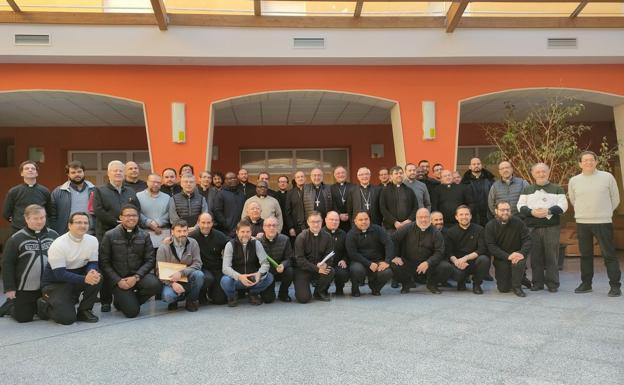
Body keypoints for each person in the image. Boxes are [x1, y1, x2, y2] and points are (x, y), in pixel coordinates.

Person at [568, 151, 621, 297]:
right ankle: (586, 284)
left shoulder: (607, 177)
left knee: (609, 254)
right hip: (582, 222)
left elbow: (615, 198)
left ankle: (615, 286)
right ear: (580, 164)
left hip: (603, 221)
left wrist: (605, 212)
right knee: (585, 255)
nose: (588, 162)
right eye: (585, 160)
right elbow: (573, 200)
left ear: (596, 162)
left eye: (591, 160)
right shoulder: (574, 180)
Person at [93, 160, 141, 312]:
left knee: (126, 263)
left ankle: (124, 295)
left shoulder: (130, 192)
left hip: (128, 235)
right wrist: (118, 222)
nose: (118, 173)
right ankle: (106, 301)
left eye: (121, 170)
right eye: (115, 171)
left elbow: (137, 209)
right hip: (107, 234)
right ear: (108, 173)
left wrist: (129, 223)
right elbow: (98, 211)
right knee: (106, 266)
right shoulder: (99, 191)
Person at [39, 211, 102, 325]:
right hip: (55, 283)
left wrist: (91, 271)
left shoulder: (92, 240)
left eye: (85, 223)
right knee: (67, 319)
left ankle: (84, 310)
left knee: (97, 277)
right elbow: (60, 274)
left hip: (74, 279)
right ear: (69, 225)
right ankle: (44, 304)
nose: (83, 225)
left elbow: (92, 262)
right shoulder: (58, 244)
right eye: (78, 222)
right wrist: (84, 279)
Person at [99, 205, 160, 318]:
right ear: (121, 217)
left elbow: (150, 260)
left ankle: (125, 301)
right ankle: (124, 301)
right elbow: (104, 262)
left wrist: (136, 277)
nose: (131, 218)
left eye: (134, 215)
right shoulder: (109, 235)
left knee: (155, 284)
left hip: (137, 276)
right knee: (132, 312)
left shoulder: (144, 235)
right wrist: (118, 280)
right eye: (127, 215)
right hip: (118, 278)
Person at [1, 205, 58, 322]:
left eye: (42, 217)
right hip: (25, 288)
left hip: (47, 287)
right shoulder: (16, 239)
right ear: (26, 219)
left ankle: (37, 306)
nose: (40, 221)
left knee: (47, 316)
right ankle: (10, 305)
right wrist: (9, 288)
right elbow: (7, 264)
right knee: (23, 318)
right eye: (35, 218)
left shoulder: (54, 235)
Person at [518, 163, 568, 292]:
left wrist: (549, 211)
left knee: (552, 255)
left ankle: (552, 284)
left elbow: (563, 206)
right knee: (536, 256)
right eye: (538, 172)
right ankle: (537, 283)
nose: (541, 174)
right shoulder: (527, 189)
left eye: (543, 171)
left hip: (551, 227)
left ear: (548, 172)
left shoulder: (557, 188)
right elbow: (520, 206)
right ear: (533, 174)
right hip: (532, 228)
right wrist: (532, 212)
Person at [391, 208, 452, 294]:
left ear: (430, 218)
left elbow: (440, 252)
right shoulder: (407, 228)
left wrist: (428, 262)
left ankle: (432, 284)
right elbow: (392, 240)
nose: (423, 220)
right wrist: (394, 256)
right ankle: (406, 284)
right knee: (393, 264)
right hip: (408, 263)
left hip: (429, 265)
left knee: (446, 267)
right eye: (421, 217)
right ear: (416, 218)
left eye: (426, 217)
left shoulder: (436, 232)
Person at [221, 220, 274, 307]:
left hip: (252, 279)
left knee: (269, 277)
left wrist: (259, 274)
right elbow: (225, 268)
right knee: (225, 280)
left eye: (248, 232)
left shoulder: (256, 244)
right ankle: (232, 296)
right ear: (237, 232)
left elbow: (265, 263)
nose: (245, 234)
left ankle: (253, 294)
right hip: (237, 280)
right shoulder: (230, 245)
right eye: (242, 231)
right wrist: (239, 277)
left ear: (251, 232)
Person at [156, 219, 205, 312]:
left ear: (187, 231)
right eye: (179, 231)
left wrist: (182, 273)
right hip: (171, 279)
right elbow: (159, 271)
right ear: (172, 232)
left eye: (185, 231)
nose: (182, 234)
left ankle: (191, 300)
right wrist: (172, 284)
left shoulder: (193, 243)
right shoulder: (163, 248)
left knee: (199, 275)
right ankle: (176, 299)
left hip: (187, 276)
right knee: (168, 297)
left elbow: (198, 263)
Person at [485, 201, 531, 297]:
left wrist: (522, 253)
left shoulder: (518, 222)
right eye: (502, 210)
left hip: (518, 255)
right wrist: (508, 256)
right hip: (502, 258)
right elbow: (491, 246)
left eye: (508, 210)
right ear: (496, 211)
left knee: (518, 262)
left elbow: (527, 239)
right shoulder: (490, 226)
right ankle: (521, 277)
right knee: (503, 289)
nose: (505, 212)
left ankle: (517, 287)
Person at [346, 211, 394, 296]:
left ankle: (375, 287)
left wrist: (387, 261)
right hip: (360, 262)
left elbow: (388, 243)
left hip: (377, 261)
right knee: (356, 269)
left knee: (387, 272)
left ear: (369, 220)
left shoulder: (378, 229)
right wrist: (369, 264)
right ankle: (355, 287)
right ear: (355, 221)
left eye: (366, 219)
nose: (364, 222)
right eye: (360, 220)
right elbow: (353, 254)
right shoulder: (351, 234)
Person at [445, 205, 490, 294]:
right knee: (457, 274)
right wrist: (456, 262)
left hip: (474, 261)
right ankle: (461, 281)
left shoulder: (480, 229)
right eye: (461, 215)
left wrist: (465, 258)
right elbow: (449, 252)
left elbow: (482, 249)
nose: (464, 217)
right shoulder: (450, 232)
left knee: (484, 259)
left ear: (470, 216)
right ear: (456, 217)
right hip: (458, 263)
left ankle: (476, 284)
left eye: (466, 214)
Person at [294, 212, 335, 303]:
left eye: (318, 221)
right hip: (303, 270)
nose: (316, 224)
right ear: (308, 223)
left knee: (330, 270)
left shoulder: (327, 237)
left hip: (320, 268)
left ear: (322, 222)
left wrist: (326, 264)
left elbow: (330, 255)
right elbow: (299, 260)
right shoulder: (301, 237)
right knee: (303, 299)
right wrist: (316, 268)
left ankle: (319, 292)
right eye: (313, 222)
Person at [189, 212, 229, 305]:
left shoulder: (219, 236)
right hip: (201, 269)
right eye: (203, 222)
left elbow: (231, 244)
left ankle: (211, 292)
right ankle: (201, 294)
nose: (206, 226)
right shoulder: (192, 237)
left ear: (212, 223)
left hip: (217, 269)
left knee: (220, 300)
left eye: (208, 223)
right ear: (198, 223)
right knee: (206, 278)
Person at [2, 160, 51, 234]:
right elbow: (6, 213)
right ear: (22, 173)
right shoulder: (14, 191)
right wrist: (18, 220)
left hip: (41, 231)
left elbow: (50, 212)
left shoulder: (45, 191)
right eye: (27, 168)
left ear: (37, 173)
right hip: (18, 230)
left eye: (33, 168)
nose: (30, 170)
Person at [49, 160, 96, 235]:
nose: (77, 174)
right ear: (68, 174)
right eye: (73, 172)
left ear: (83, 172)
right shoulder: (58, 192)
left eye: (79, 171)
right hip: (66, 234)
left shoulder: (95, 190)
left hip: (90, 233)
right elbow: (52, 215)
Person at [259, 216, 294, 302]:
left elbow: (289, 258)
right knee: (268, 299)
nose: (271, 228)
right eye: (268, 225)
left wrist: (283, 265)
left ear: (277, 227)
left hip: (280, 270)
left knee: (290, 271)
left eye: (274, 225)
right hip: (266, 273)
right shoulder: (258, 242)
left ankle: (283, 293)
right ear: (264, 227)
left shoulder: (285, 239)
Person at [136, 173, 171, 249]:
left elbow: (170, 213)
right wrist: (149, 222)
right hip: (144, 233)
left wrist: (158, 222)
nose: (155, 184)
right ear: (147, 182)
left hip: (163, 234)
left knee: (162, 258)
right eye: (153, 181)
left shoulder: (167, 197)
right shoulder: (138, 196)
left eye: (158, 182)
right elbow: (137, 212)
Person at [379, 166, 417, 234]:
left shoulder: (409, 190)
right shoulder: (385, 191)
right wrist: (394, 222)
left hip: (409, 226)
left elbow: (415, 207)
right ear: (391, 176)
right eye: (396, 173)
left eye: (401, 173)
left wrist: (409, 220)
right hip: (391, 228)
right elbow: (383, 208)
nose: (399, 175)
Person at [461, 158, 495, 226]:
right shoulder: (464, 183)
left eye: (478, 164)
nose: (476, 165)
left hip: (489, 215)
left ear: (481, 165)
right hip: (472, 217)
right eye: (474, 164)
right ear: (470, 167)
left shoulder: (490, 180)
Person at [323, 211, 350, 296]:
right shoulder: (321, 233)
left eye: (336, 220)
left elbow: (347, 250)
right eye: (331, 219)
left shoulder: (343, 234)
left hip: (338, 263)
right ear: (326, 220)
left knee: (342, 273)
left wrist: (344, 260)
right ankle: (323, 289)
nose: (334, 222)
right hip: (324, 264)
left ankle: (339, 289)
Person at [213, 171, 245, 237]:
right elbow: (217, 211)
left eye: (234, 178)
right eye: (230, 178)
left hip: (241, 229)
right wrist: (226, 225)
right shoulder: (220, 194)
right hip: (226, 231)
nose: (233, 180)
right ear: (225, 180)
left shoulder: (242, 194)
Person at [330, 166, 353, 232]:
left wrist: (349, 214)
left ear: (346, 174)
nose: (341, 175)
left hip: (350, 219)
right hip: (336, 219)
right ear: (334, 175)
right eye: (338, 173)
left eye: (343, 173)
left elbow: (355, 203)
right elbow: (331, 203)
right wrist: (339, 214)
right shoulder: (331, 188)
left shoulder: (353, 186)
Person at [285, 170, 307, 238]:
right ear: (295, 179)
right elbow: (287, 212)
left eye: (302, 176)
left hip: (309, 225)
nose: (300, 178)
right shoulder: (290, 193)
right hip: (296, 226)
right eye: (298, 177)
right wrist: (291, 227)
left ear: (305, 178)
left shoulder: (311, 190)